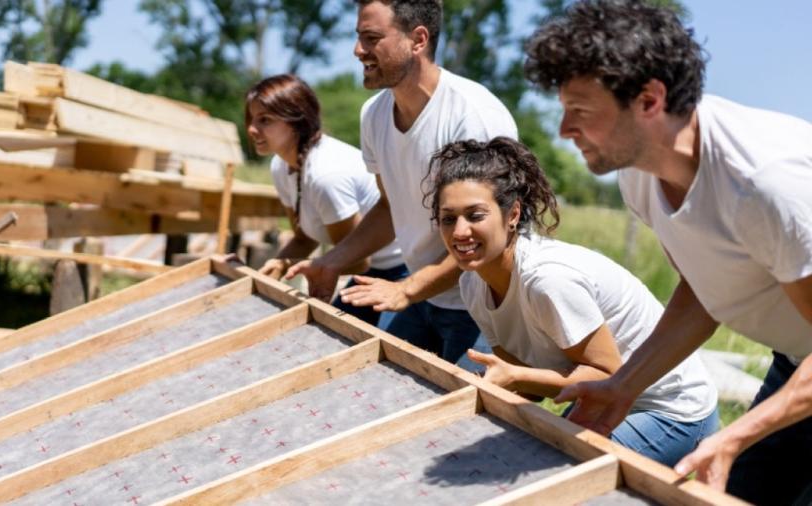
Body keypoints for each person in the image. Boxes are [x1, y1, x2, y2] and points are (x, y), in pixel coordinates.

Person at [523, 0, 812, 502]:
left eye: (581, 111)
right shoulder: (640, 175)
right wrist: (624, 386)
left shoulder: (766, 184)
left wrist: (735, 435)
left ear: (649, 100)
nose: (564, 129)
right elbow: (702, 293)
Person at [426, 136, 718, 466]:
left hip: (670, 408)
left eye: (475, 215)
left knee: (557, 474)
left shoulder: (547, 280)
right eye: (448, 218)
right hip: (601, 401)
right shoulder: (472, 284)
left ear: (513, 215)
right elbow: (525, 382)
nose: (459, 231)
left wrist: (515, 379)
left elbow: (606, 377)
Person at [285, 0, 518, 366]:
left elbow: (489, 234)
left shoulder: (473, 116)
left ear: (418, 40)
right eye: (359, 37)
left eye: (372, 38)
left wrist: (407, 289)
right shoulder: (374, 114)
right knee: (374, 383)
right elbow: (389, 206)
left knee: (464, 402)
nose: (357, 50)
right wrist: (331, 262)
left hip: (484, 305)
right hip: (422, 292)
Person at [244, 74, 407, 326]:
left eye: (264, 120)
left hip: (402, 270)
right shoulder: (281, 166)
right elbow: (303, 238)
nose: (252, 129)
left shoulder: (326, 176)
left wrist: (291, 265)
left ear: (296, 120)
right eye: (251, 119)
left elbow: (357, 260)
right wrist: (275, 266)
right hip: (369, 271)